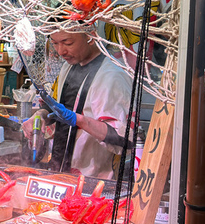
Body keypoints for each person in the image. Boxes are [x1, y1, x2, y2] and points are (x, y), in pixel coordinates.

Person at [22, 28, 133, 179]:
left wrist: (80, 120)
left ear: (90, 36)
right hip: (60, 172)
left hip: (94, 179)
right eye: (54, 43)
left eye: (67, 43)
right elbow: (54, 106)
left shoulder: (113, 76)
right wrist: (40, 115)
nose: (61, 51)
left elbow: (124, 138)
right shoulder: (68, 66)